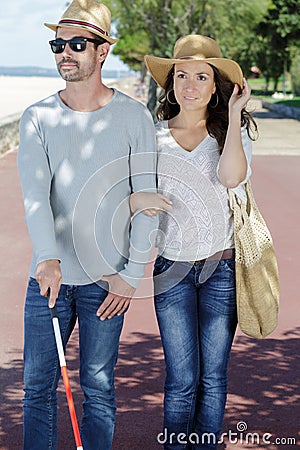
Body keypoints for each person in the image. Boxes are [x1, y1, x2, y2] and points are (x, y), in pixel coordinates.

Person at [17, 1, 158, 449]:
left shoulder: (135, 117)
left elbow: (147, 205)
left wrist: (131, 277)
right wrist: (50, 258)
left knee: (97, 389)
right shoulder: (37, 118)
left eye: (78, 44)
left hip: (107, 281)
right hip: (48, 280)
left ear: (103, 51)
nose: (65, 53)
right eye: (59, 44)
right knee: (37, 389)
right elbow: (36, 197)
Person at [130, 34, 257, 449]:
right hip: (172, 270)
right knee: (182, 379)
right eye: (181, 75)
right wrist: (136, 200)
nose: (189, 85)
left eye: (201, 76)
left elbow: (231, 178)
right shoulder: (153, 136)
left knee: (214, 377)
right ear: (171, 84)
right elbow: (131, 196)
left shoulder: (230, 135)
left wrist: (235, 116)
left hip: (222, 267)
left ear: (216, 85)